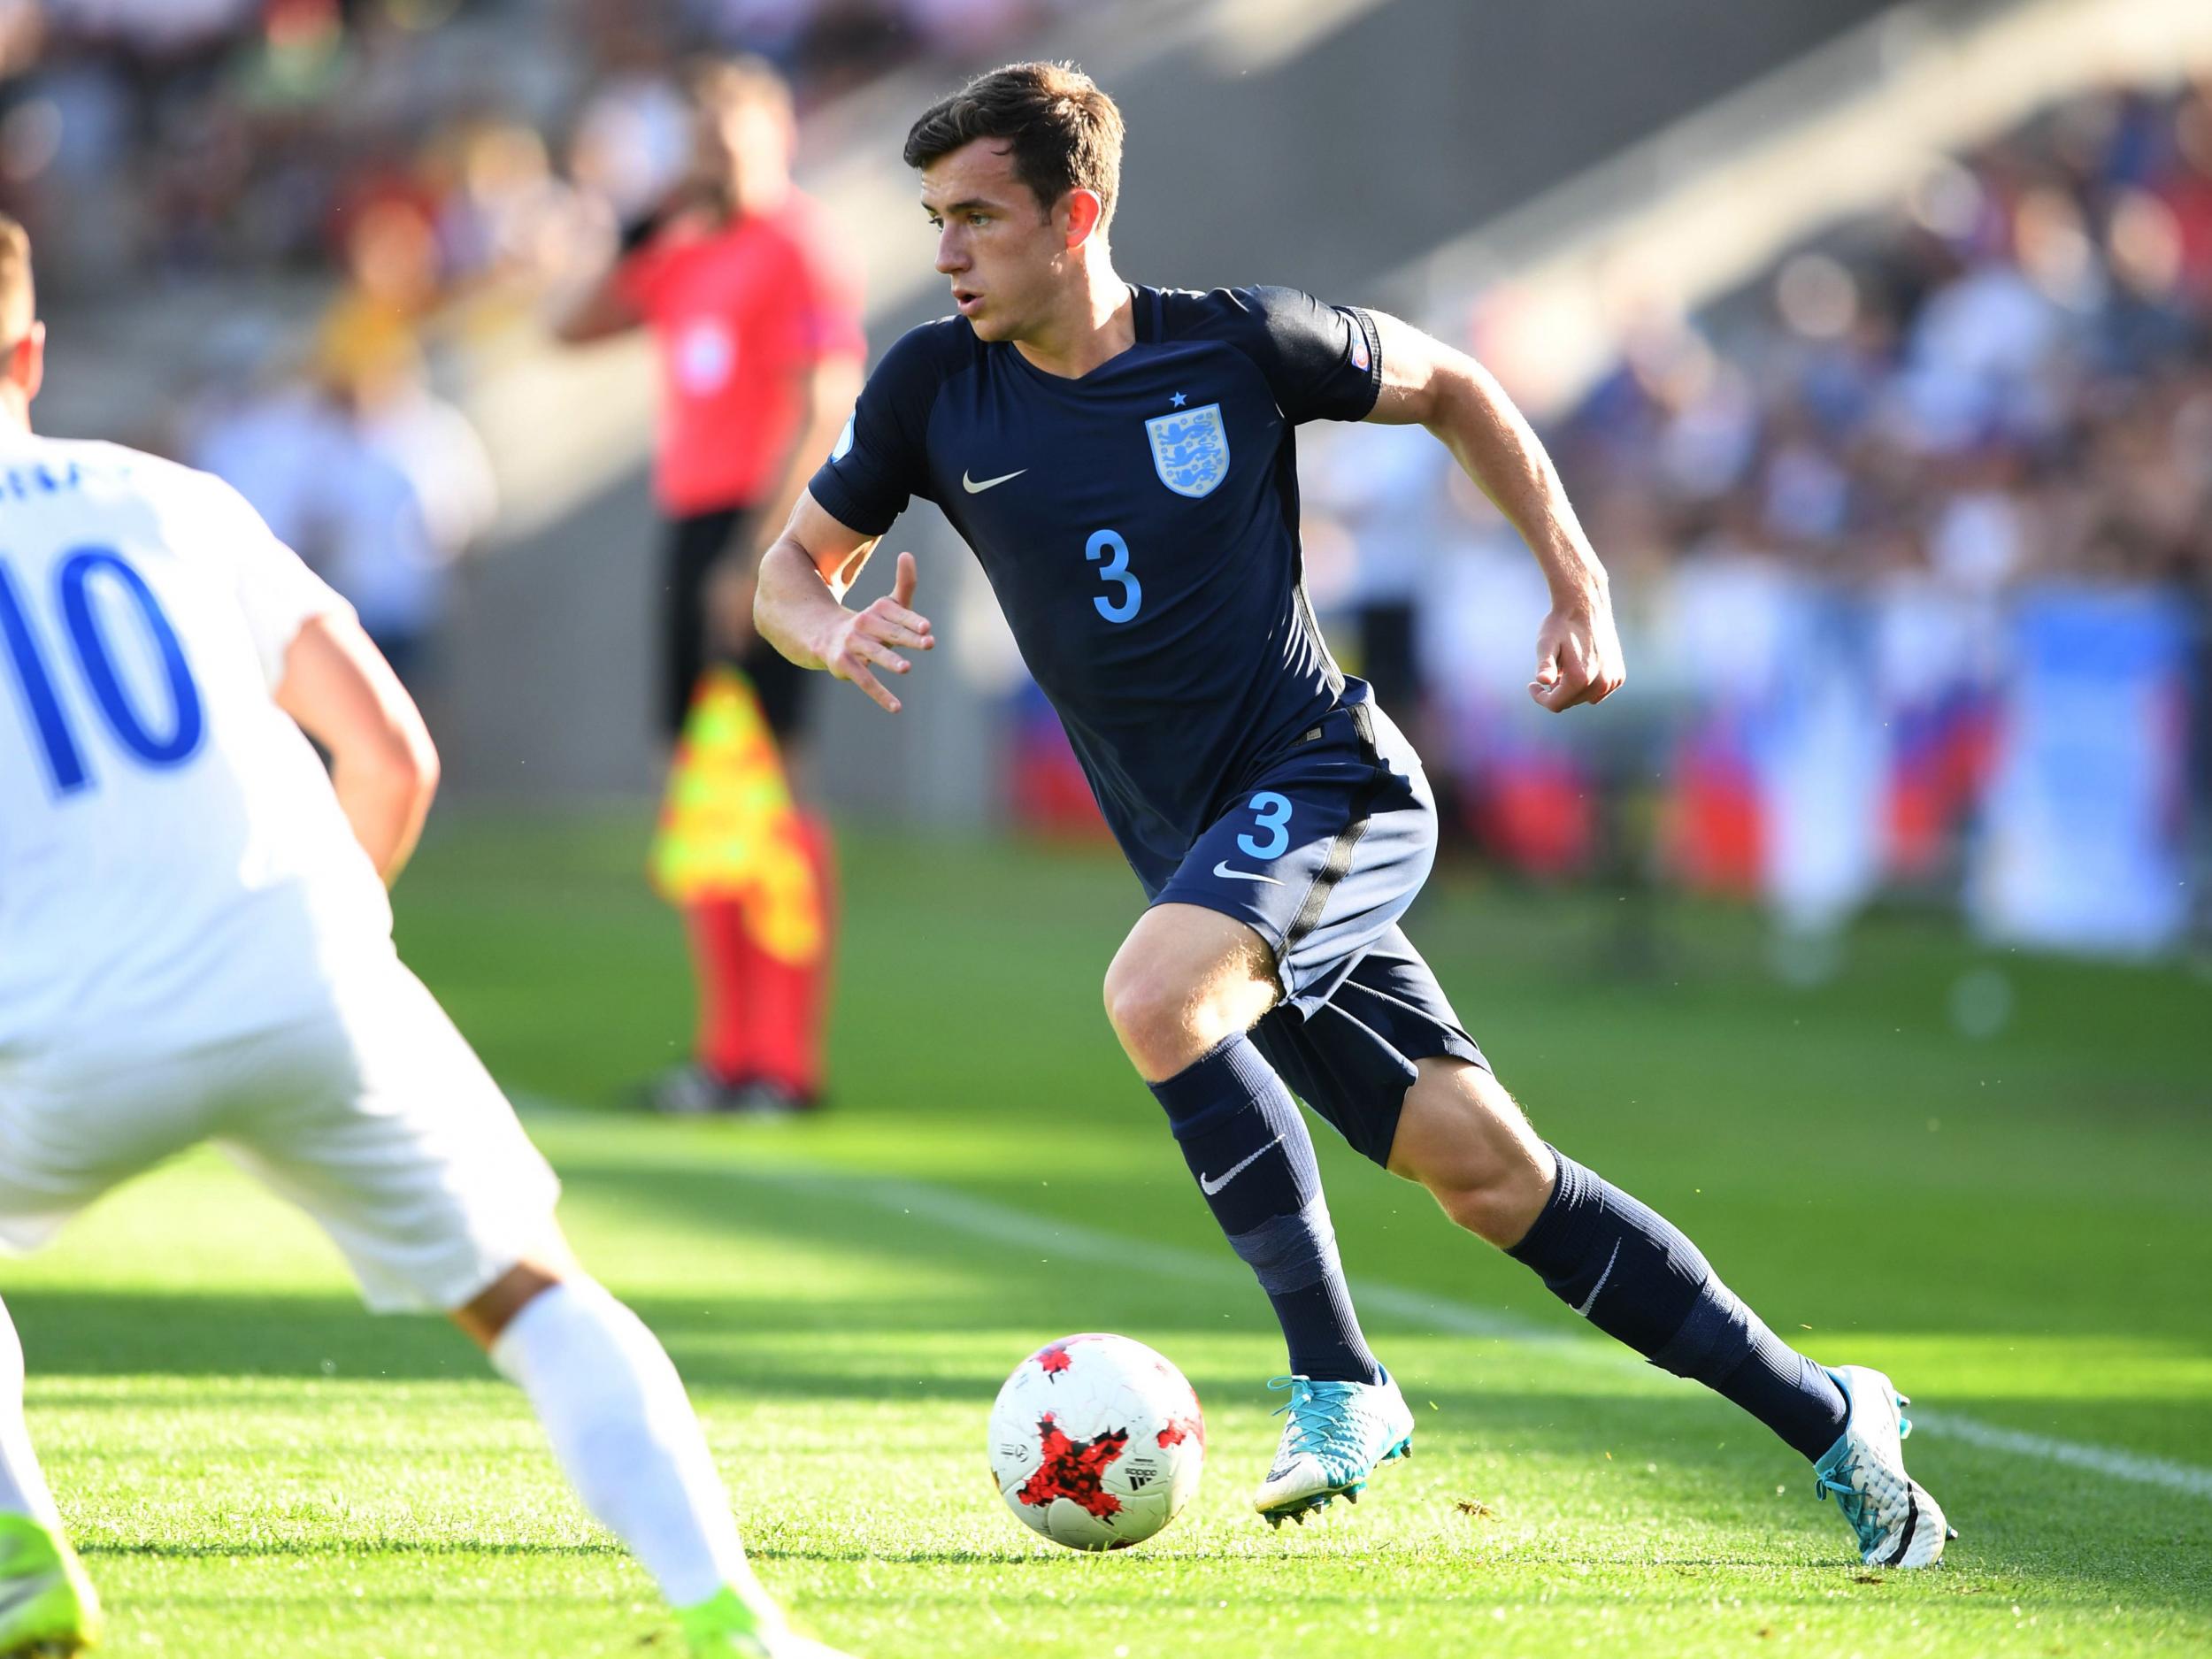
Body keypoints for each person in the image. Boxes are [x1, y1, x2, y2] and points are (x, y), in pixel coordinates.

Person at [751, 63, 1953, 1568]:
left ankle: (1340, 1379)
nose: (944, 253)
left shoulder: (1237, 346)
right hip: (1222, 867)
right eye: (933, 219)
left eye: (976, 217)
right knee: (1492, 1180)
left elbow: (1456, 384)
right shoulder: (934, 389)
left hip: (1331, 786)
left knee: (1152, 996)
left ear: (1078, 214)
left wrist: (1577, 585)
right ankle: (1838, 1417)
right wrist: (831, 629)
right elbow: (789, 571)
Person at [0, 218, 852, 1659]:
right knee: (529, 1291)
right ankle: (734, 1617)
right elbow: (391, 756)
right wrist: (334, 945)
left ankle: (24, 1563)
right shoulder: (172, 498)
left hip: (61, 1025)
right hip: (307, 968)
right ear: (28, 350)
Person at [558, 55, 864, 1116]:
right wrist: (646, 218)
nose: (712, 163)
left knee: (773, 786)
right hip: (688, 530)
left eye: (727, 143)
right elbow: (569, 323)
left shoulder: (797, 248)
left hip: (759, 528)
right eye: (696, 145)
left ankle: (790, 1063)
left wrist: (761, 551)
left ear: (776, 138)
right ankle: (728, 1053)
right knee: (701, 792)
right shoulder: (689, 252)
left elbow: (826, 402)